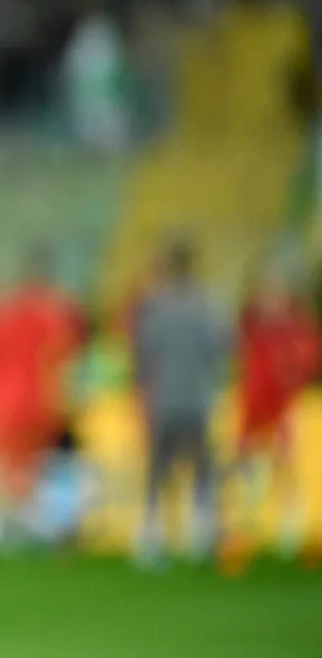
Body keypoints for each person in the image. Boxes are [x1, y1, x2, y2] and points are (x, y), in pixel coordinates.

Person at [0, 245, 86, 561]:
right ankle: (46, 534)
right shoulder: (55, 313)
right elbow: (65, 358)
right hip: (36, 407)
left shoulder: (0, 311)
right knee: (29, 476)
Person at [132, 238, 229, 567]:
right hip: (197, 398)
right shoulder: (207, 305)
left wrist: (144, 391)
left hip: (163, 399)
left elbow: (144, 355)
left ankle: (152, 533)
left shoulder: (155, 306)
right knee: (201, 465)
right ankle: (202, 532)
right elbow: (221, 350)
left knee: (158, 468)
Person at [223, 267, 320, 565]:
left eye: (275, 294)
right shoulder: (249, 328)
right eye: (266, 294)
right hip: (254, 409)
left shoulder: (298, 330)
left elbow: (307, 363)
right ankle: (244, 531)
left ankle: (292, 530)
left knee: (286, 468)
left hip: (283, 411)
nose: (270, 300)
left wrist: (294, 377)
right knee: (248, 471)